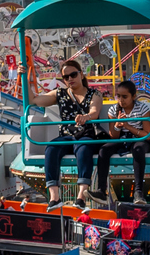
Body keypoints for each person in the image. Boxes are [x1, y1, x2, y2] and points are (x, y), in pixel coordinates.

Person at [30, 59, 103, 205]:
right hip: (66, 136)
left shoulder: (95, 94)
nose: (70, 79)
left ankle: (81, 196)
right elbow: (33, 100)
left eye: (73, 75)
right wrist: (25, 77)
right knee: (51, 148)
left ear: (81, 75)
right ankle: (54, 197)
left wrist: (86, 117)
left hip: (86, 134)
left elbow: (94, 111)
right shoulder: (60, 94)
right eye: (66, 77)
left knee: (83, 148)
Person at [92, 79, 150, 206]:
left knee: (138, 150)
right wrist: (118, 125)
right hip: (122, 138)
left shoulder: (142, 108)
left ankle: (138, 191)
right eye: (118, 96)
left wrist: (128, 126)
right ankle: (101, 190)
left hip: (138, 138)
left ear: (133, 96)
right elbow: (113, 136)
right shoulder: (114, 110)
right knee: (104, 150)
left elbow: (147, 135)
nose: (121, 100)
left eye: (125, 97)